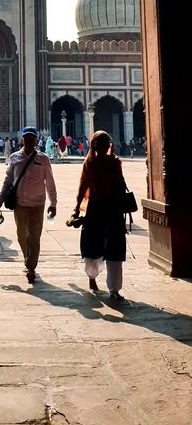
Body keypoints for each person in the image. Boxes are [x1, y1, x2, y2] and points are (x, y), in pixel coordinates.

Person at [0, 126, 57, 284]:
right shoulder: (14, 157)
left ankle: (31, 266)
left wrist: (53, 203)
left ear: (36, 140)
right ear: (22, 139)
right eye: (26, 137)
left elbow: (50, 182)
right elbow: (8, 181)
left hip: (37, 203)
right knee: (21, 235)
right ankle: (28, 257)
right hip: (20, 203)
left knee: (34, 237)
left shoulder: (43, 158)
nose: (28, 139)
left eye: (31, 137)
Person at [70, 129, 128, 301]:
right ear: (95, 146)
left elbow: (120, 184)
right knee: (94, 246)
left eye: (104, 144)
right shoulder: (91, 164)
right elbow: (83, 187)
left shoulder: (113, 163)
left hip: (106, 209)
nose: (102, 147)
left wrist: (77, 207)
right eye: (99, 144)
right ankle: (94, 279)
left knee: (113, 248)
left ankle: (112, 288)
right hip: (101, 208)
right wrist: (77, 207)